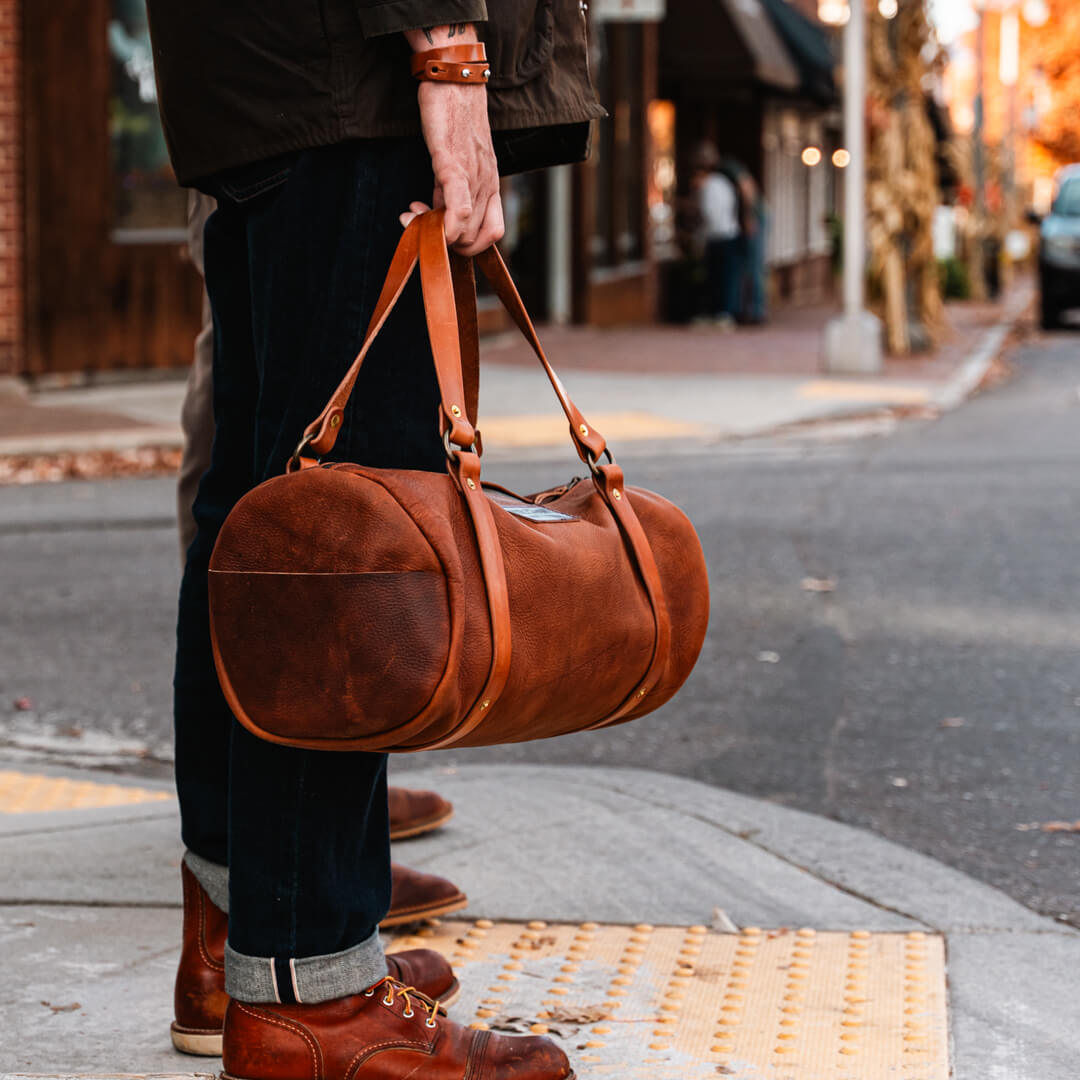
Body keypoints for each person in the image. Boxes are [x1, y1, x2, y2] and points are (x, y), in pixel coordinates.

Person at [145, 2, 602, 1078]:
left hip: (277, 76)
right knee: (339, 548)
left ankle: (243, 931)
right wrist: (445, 49)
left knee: (267, 512)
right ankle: (314, 988)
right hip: (352, 67)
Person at [694, 143, 740, 330]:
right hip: (728, 233)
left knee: (720, 277)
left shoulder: (710, 187)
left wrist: (701, 236)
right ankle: (722, 312)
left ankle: (722, 313)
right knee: (723, 276)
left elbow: (709, 214)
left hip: (718, 236)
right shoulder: (723, 183)